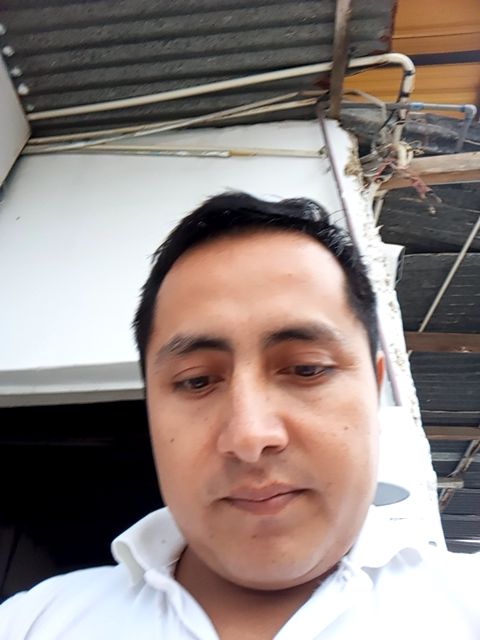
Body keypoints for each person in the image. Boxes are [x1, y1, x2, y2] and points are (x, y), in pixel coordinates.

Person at [0, 192, 478, 639]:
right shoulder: (33, 624)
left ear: (374, 391)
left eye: (306, 369)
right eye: (196, 381)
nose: (250, 435)